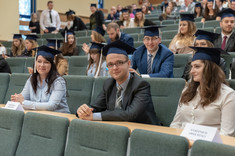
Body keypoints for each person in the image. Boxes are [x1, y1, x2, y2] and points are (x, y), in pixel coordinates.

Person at [76, 40, 158, 125]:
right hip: (119, 130)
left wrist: (94, 116)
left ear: (129, 63)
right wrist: (84, 111)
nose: (114, 68)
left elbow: (130, 114)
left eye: (119, 63)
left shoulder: (141, 85)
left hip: (144, 130)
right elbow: (96, 107)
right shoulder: (108, 84)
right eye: (110, 64)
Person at [170, 47, 235, 137]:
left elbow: (227, 134)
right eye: (192, 66)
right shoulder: (186, 91)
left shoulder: (228, 95)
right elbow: (175, 124)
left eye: (197, 66)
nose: (192, 71)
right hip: (183, 144)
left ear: (211, 68)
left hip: (209, 147)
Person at [11, 46, 70, 113]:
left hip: (59, 117)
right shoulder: (31, 79)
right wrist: (17, 99)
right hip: (39, 115)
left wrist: (24, 102)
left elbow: (51, 106)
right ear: (35, 63)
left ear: (52, 65)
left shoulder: (59, 81)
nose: (42, 65)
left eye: (46, 62)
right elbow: (22, 98)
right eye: (39, 61)